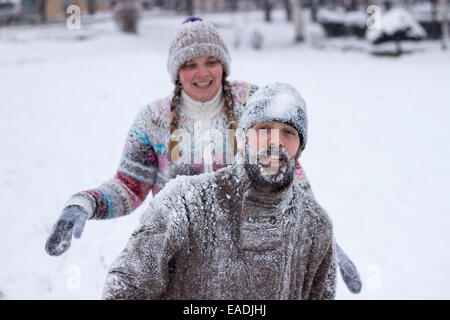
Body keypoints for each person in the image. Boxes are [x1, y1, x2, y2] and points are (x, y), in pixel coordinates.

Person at [44, 16, 360, 294]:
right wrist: (84, 203)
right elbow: (130, 185)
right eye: (189, 64)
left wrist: (317, 236)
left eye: (211, 61)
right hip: (177, 255)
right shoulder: (152, 120)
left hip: (247, 254)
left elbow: (286, 170)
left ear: (223, 64)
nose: (202, 73)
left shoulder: (251, 101)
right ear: (176, 71)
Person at [103, 83, 336, 300]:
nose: (275, 141)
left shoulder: (315, 225)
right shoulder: (184, 203)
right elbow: (124, 289)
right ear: (244, 138)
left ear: (300, 150)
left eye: (288, 132)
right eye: (264, 128)